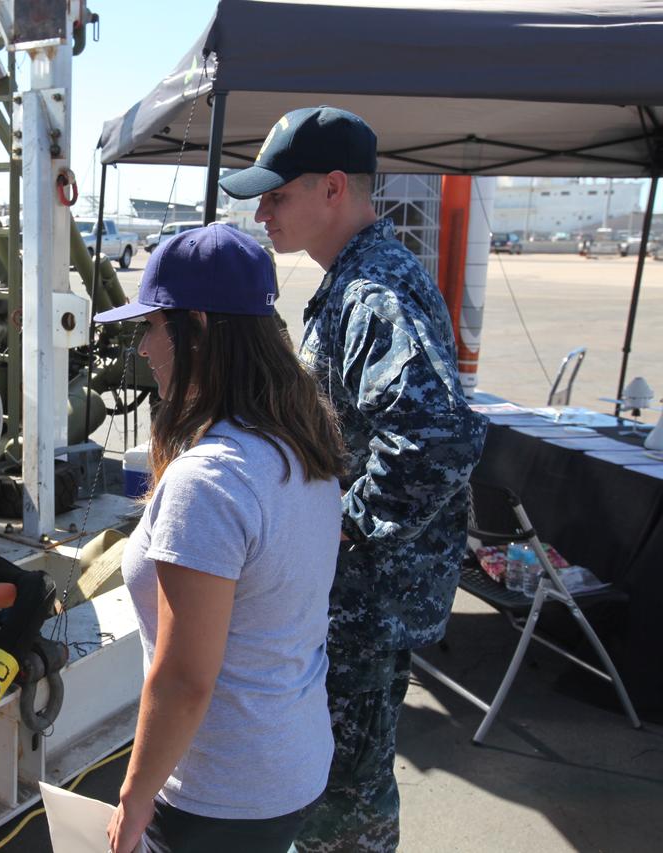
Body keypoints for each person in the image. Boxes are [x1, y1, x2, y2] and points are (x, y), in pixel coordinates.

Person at [220, 106, 488, 853]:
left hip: (366, 600)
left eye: (277, 194)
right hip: (360, 596)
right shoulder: (358, 279)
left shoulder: (375, 292)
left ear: (333, 187)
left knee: (345, 807)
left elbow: (439, 437)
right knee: (343, 790)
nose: (262, 211)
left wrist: (349, 521)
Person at [100, 224, 348, 853]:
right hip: (289, 764)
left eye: (151, 326)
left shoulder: (208, 480)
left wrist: (133, 799)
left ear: (198, 328)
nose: (144, 348)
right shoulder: (298, 446)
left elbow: (185, 679)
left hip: (219, 794)